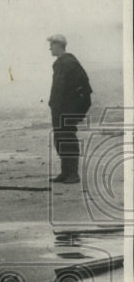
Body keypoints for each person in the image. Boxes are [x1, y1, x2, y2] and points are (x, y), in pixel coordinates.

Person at [47, 34, 92, 184]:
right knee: (60, 139)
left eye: (52, 45)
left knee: (67, 139)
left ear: (59, 45)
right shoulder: (62, 63)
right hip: (60, 109)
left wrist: (73, 109)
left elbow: (82, 89)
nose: (49, 48)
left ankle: (73, 174)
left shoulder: (68, 63)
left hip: (66, 110)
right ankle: (66, 172)